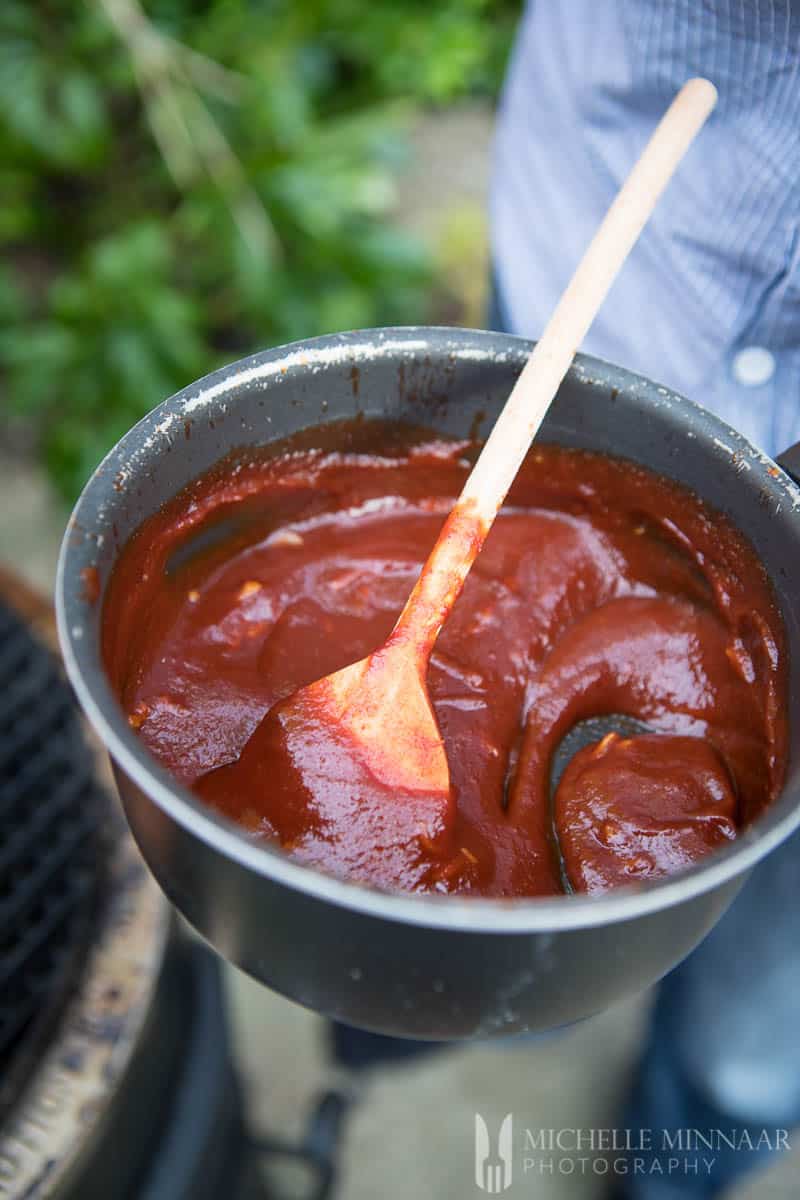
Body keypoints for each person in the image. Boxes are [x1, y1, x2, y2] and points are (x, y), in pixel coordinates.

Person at [325, 5, 800, 1198]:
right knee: (501, 975)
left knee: (757, 1029)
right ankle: (499, 1008)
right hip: (616, 248)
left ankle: (684, 1150)